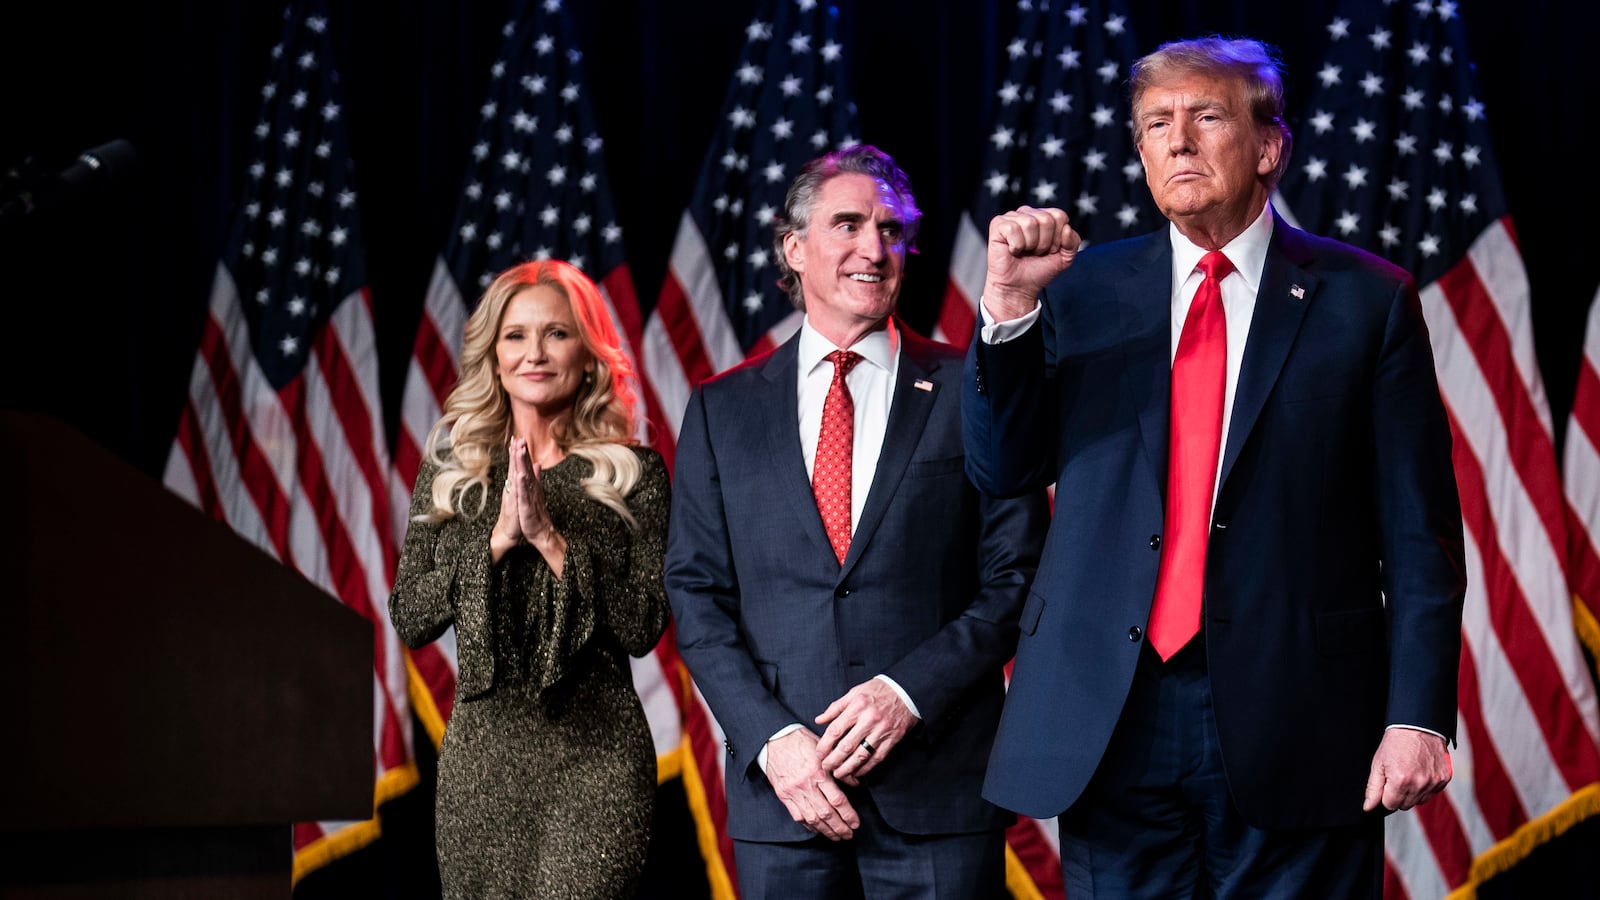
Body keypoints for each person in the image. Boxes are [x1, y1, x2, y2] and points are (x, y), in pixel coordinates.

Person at [965, 36, 1466, 897]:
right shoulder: (1079, 291)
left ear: (1270, 146)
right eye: (1156, 123)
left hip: (1298, 711)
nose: (1178, 141)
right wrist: (1009, 307)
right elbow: (1002, 466)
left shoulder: (1365, 298)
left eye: (1206, 117)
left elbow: (1419, 535)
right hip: (1110, 710)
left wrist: (1418, 714)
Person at [665, 144, 1050, 899]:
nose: (875, 249)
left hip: (938, 793)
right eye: (848, 224)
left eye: (893, 230)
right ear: (794, 248)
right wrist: (774, 741)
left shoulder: (974, 387)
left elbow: (1017, 578)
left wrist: (905, 694)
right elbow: (695, 594)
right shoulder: (722, 407)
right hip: (785, 798)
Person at [388, 259, 671, 899]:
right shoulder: (451, 473)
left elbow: (643, 625)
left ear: (589, 354)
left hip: (596, 755)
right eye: (515, 335)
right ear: (493, 353)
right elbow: (411, 616)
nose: (534, 353)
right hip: (482, 763)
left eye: (556, 334)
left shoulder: (633, 474)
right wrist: (497, 540)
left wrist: (549, 539)